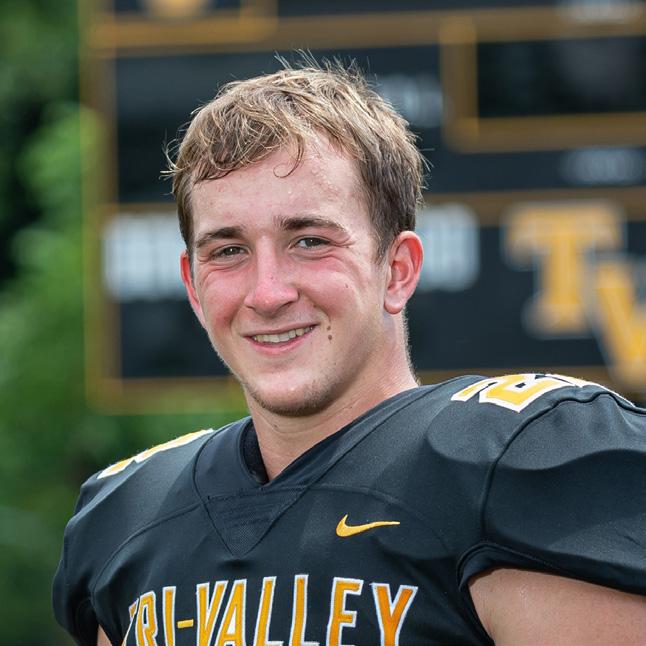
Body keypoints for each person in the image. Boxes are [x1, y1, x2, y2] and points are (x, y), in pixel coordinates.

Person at [53, 60, 646, 646]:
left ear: (398, 269)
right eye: (228, 251)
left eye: (310, 241)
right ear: (193, 286)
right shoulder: (129, 517)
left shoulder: (516, 462)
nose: (267, 293)